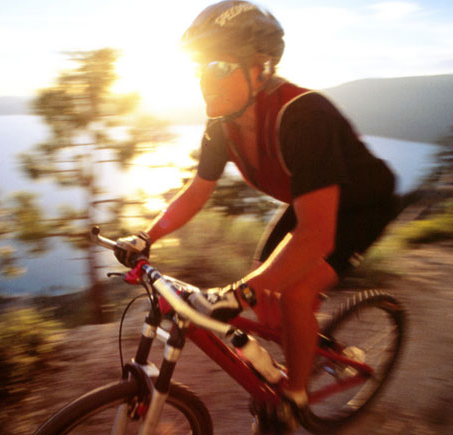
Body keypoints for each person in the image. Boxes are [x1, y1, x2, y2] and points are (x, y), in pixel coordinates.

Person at [115, 1, 398, 432]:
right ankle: (314, 344)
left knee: (295, 292)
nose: (205, 80)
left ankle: (295, 400)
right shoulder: (220, 124)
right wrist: (145, 236)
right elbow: (196, 192)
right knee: (264, 286)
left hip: (362, 205)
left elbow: (318, 235)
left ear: (261, 66)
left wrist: (238, 294)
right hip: (312, 201)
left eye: (218, 65)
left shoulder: (304, 116)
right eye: (197, 68)